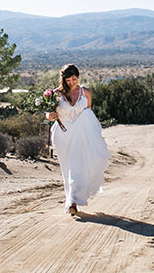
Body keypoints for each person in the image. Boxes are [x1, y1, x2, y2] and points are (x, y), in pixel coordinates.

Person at [46, 64, 110, 215]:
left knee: (78, 166)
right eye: (68, 80)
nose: (72, 82)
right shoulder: (54, 94)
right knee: (67, 168)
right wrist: (48, 116)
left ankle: (73, 202)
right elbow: (48, 112)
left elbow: (87, 113)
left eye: (74, 79)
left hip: (81, 133)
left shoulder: (85, 92)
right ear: (64, 79)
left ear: (78, 77)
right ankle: (69, 199)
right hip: (63, 133)